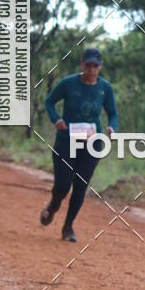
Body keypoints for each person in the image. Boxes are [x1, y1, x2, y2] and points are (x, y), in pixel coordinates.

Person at [40, 47, 118, 242]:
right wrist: (56, 119)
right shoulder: (68, 84)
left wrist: (112, 128)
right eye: (88, 65)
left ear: (100, 67)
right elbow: (49, 101)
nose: (91, 69)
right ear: (82, 64)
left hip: (92, 143)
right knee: (63, 186)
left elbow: (113, 113)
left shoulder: (105, 88)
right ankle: (54, 205)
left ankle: (68, 227)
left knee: (81, 185)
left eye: (95, 66)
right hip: (67, 141)